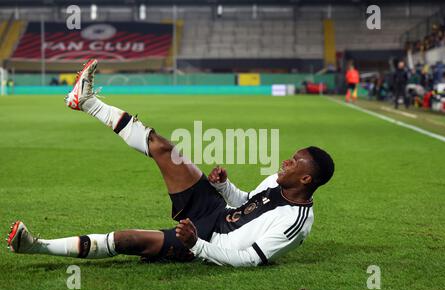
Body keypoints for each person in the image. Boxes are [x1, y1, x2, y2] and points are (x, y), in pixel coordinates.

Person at [7, 59, 335, 267]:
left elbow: (248, 259)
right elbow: (248, 204)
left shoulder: (295, 223)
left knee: (127, 240)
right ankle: (87, 101)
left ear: (306, 180)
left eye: (293, 163)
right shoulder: (276, 181)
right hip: (214, 211)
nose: (285, 162)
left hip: (211, 241)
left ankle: (35, 246)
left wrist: (198, 245)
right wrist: (223, 186)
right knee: (165, 148)